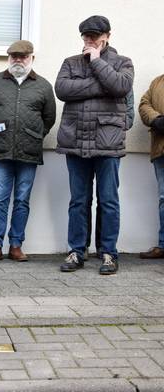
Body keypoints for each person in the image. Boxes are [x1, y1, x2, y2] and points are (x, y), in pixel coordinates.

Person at [55, 15, 134, 275]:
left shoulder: (123, 63)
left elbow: (120, 86)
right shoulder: (70, 62)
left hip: (108, 142)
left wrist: (98, 63)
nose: (90, 40)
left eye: (95, 36)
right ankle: (77, 251)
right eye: (86, 36)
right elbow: (63, 90)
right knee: (79, 201)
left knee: (108, 201)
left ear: (107, 36)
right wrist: (101, 86)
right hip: (76, 140)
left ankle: (108, 253)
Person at [0, 40, 56, 263]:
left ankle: (16, 245)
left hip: (29, 153)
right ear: (8, 58)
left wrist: (34, 136)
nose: (18, 60)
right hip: (1, 152)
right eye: (14, 56)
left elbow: (49, 119)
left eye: (23, 56)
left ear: (32, 58)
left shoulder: (43, 86)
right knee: (0, 199)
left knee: (22, 200)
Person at [85, 90, 134, 259]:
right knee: (82, 200)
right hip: (84, 145)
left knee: (107, 200)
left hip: (110, 148)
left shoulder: (121, 78)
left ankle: (105, 248)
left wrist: (112, 129)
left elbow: (129, 114)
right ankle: (82, 247)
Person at [139, 75, 164, 259]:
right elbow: (144, 104)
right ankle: (163, 245)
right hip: (161, 149)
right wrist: (156, 119)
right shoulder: (157, 82)